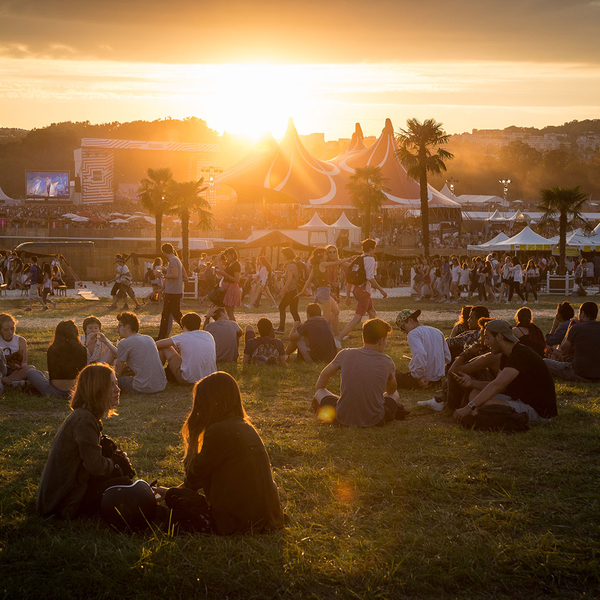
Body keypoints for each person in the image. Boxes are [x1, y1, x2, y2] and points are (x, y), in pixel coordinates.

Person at [155, 372, 284, 534]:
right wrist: (173, 492)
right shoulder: (244, 426)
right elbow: (200, 478)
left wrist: (192, 441)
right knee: (175, 495)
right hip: (268, 516)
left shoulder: (219, 431)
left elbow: (194, 476)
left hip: (239, 522)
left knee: (174, 510)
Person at [36, 364, 132, 519]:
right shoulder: (84, 420)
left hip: (59, 496)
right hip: (62, 503)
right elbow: (95, 466)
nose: (117, 389)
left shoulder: (85, 416)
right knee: (125, 485)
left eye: (117, 383)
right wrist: (114, 463)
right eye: (112, 385)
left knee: (121, 482)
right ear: (97, 389)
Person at [453, 319, 557, 425]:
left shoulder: (520, 355)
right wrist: (472, 383)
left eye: (488, 338)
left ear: (499, 337)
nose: (485, 343)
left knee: (487, 404)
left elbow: (497, 385)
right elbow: (499, 386)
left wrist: (468, 407)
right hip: (518, 400)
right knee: (475, 393)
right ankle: (477, 414)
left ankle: (476, 415)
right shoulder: (506, 355)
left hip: (538, 411)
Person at [313, 318, 404, 427]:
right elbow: (391, 390)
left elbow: (324, 374)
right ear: (381, 341)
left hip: (342, 417)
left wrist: (317, 398)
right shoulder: (387, 361)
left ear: (363, 337)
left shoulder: (345, 354)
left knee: (319, 391)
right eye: (385, 340)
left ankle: (321, 405)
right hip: (375, 421)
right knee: (395, 394)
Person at [337, 239, 388, 343]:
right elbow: (370, 277)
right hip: (364, 291)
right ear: (371, 249)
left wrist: (347, 295)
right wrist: (381, 290)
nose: (375, 250)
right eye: (374, 248)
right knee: (357, 318)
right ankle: (339, 337)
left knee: (372, 313)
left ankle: (373, 337)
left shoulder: (359, 259)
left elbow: (350, 278)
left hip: (357, 290)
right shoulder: (369, 259)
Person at [26, 321, 87, 399]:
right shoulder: (82, 349)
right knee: (44, 373)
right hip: (75, 392)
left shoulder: (52, 349)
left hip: (54, 392)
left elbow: (52, 377)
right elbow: (82, 373)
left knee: (31, 372)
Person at [300, 247, 351, 337]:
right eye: (326, 254)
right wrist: (348, 258)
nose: (328, 255)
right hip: (324, 291)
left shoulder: (316, 266)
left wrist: (303, 290)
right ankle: (319, 335)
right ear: (321, 256)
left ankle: (328, 333)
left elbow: (309, 279)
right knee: (325, 318)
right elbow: (335, 262)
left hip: (324, 291)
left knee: (336, 311)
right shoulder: (323, 264)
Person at [544, 301, 600, 382]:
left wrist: (570, 328)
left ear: (583, 313)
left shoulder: (577, 328)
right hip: (598, 375)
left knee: (546, 362)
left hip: (579, 373)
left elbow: (564, 350)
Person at [395, 309, 450, 390]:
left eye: (403, 327)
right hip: (437, 381)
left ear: (410, 321)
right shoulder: (437, 332)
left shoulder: (413, 334)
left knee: (392, 373)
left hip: (421, 380)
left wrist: (419, 378)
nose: (403, 331)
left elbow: (420, 354)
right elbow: (447, 358)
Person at [156, 312, 217, 385]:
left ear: (184, 326)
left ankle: (156, 376)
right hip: (210, 378)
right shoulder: (208, 335)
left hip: (189, 379)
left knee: (165, 348)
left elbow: (156, 345)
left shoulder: (183, 337)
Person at [115, 311, 167, 393]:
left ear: (127, 327)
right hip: (161, 384)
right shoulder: (149, 338)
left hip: (143, 386)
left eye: (119, 326)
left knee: (117, 381)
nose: (117, 330)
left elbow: (118, 371)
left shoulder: (124, 343)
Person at [157, 243, 184, 340]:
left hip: (173, 292)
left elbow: (175, 275)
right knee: (168, 314)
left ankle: (188, 329)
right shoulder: (175, 259)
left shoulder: (173, 260)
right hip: (173, 291)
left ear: (163, 252)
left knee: (174, 314)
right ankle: (162, 335)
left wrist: (162, 275)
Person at [0, 313, 34, 388]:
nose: (10, 332)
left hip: (15, 371)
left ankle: (8, 380)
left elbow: (24, 363)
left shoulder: (21, 340)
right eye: (6, 330)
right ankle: (15, 382)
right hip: (2, 371)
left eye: (12, 328)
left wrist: (19, 366)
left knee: (31, 368)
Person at [276, 247, 302, 333]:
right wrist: (281, 275)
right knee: (282, 307)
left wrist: (282, 291)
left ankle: (300, 330)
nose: (282, 256)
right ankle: (281, 328)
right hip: (290, 291)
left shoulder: (291, 265)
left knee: (293, 311)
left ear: (287, 255)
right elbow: (289, 276)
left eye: (283, 255)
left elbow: (290, 279)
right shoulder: (292, 264)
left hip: (293, 291)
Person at [215, 247, 241, 321]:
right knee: (227, 311)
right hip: (226, 288)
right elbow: (222, 271)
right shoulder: (229, 264)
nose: (227, 258)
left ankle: (235, 328)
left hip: (231, 288)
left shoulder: (236, 264)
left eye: (228, 256)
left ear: (233, 255)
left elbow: (237, 280)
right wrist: (219, 261)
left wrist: (225, 275)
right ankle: (232, 327)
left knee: (229, 312)